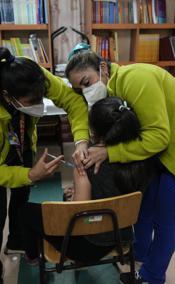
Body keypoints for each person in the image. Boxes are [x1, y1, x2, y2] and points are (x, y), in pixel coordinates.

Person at [65, 49, 175, 284]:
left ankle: (152, 277)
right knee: (144, 210)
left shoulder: (135, 78)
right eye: (80, 88)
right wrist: (83, 142)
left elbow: (159, 137)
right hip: (161, 158)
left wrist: (109, 152)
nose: (86, 91)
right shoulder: (112, 89)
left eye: (86, 82)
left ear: (102, 68)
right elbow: (86, 116)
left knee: (164, 222)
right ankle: (139, 255)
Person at [0, 47, 90, 284]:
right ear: (6, 95)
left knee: (21, 200)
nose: (40, 104)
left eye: (42, 97)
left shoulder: (32, 75)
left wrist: (81, 141)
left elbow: (73, 101)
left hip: (20, 144)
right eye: (33, 101)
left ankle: (17, 242)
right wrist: (31, 174)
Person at [20, 97, 156, 263]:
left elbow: (77, 217)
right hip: (122, 237)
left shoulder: (86, 163)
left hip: (88, 248)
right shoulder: (144, 159)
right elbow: (114, 193)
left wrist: (74, 197)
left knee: (24, 211)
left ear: (92, 132)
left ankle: (32, 257)